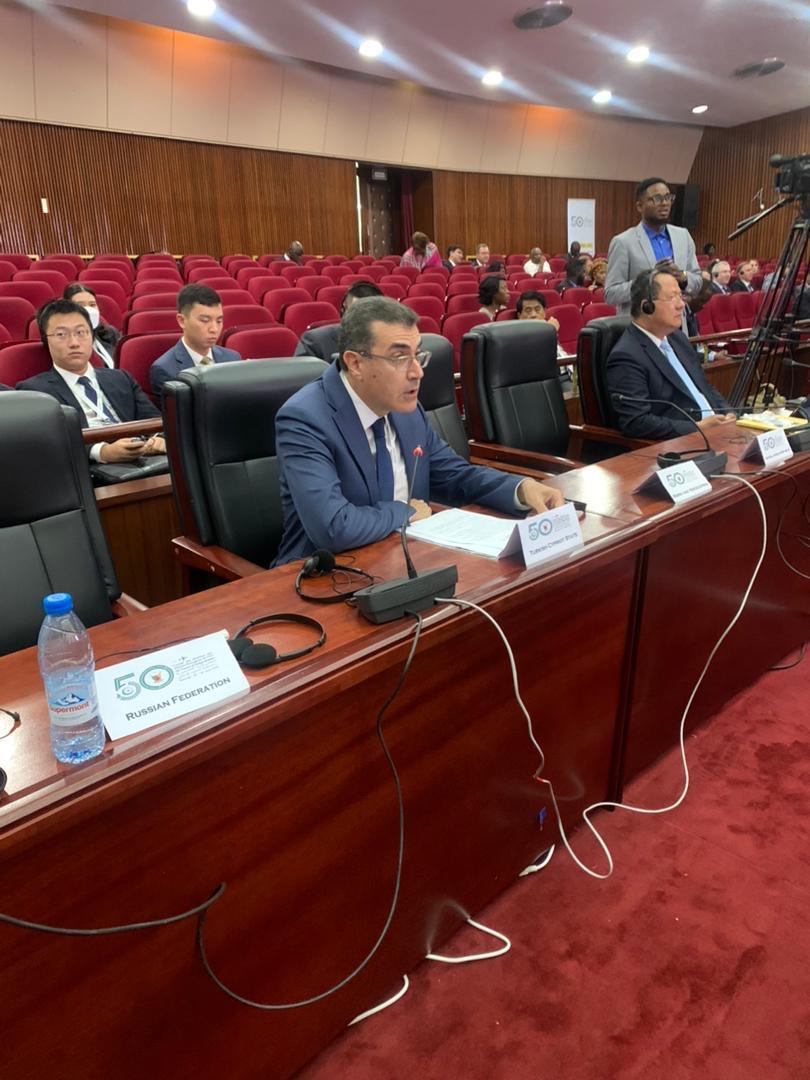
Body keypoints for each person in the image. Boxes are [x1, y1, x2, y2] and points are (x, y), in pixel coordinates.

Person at [272, 297, 564, 564]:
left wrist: (519, 488)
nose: (417, 372)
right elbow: (333, 527)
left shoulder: (407, 411)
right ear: (356, 363)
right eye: (400, 358)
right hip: (321, 577)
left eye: (418, 356)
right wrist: (406, 511)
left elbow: (455, 475)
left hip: (405, 558)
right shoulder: (305, 419)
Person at [17, 300, 163, 463]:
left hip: (144, 459)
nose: (74, 343)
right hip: (87, 470)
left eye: (81, 332)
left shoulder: (121, 378)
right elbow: (46, 444)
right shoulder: (35, 392)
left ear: (92, 337)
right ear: (46, 341)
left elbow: (155, 422)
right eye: (61, 335)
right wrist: (101, 452)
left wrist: (157, 440)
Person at [606, 269, 736, 441]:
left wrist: (728, 413)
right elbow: (636, 422)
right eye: (672, 298)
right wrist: (697, 428)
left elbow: (704, 387)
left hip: (719, 433)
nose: (681, 305)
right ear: (647, 307)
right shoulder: (627, 356)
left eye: (681, 296)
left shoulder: (678, 338)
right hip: (683, 444)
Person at [604, 177, 702, 324]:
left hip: (677, 325)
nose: (665, 203)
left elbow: (698, 281)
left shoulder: (683, 236)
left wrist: (682, 276)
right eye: (657, 198)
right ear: (640, 206)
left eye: (668, 197)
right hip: (641, 327)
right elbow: (611, 294)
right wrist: (649, 279)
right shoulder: (623, 242)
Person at [150, 284, 241, 406]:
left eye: (219, 321)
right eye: (205, 321)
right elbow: (180, 415)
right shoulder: (165, 369)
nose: (214, 329)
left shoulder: (233, 358)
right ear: (182, 320)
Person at [295, 281, 383, 360]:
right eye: (356, 312)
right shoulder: (316, 342)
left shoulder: (387, 340)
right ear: (344, 311)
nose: (363, 320)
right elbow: (303, 373)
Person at [63, 282, 120, 367]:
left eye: (92, 305)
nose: (88, 309)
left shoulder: (110, 333)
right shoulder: (62, 341)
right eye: (80, 305)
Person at [684, 279, 729, 364]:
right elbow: (685, 352)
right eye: (701, 301)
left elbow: (699, 346)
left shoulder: (693, 315)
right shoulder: (682, 318)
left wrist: (715, 354)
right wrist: (713, 357)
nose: (703, 306)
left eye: (706, 302)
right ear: (689, 296)